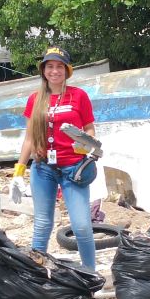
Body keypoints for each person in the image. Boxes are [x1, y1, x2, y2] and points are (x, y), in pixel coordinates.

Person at [12, 47, 99, 269]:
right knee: (42, 223)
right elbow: (29, 137)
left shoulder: (78, 96)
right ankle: (36, 274)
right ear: (43, 70)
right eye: (50, 66)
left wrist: (85, 143)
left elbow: (90, 129)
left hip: (73, 168)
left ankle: (90, 273)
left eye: (59, 66)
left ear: (67, 70)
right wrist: (18, 172)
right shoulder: (35, 99)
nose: (54, 71)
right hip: (43, 169)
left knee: (81, 226)